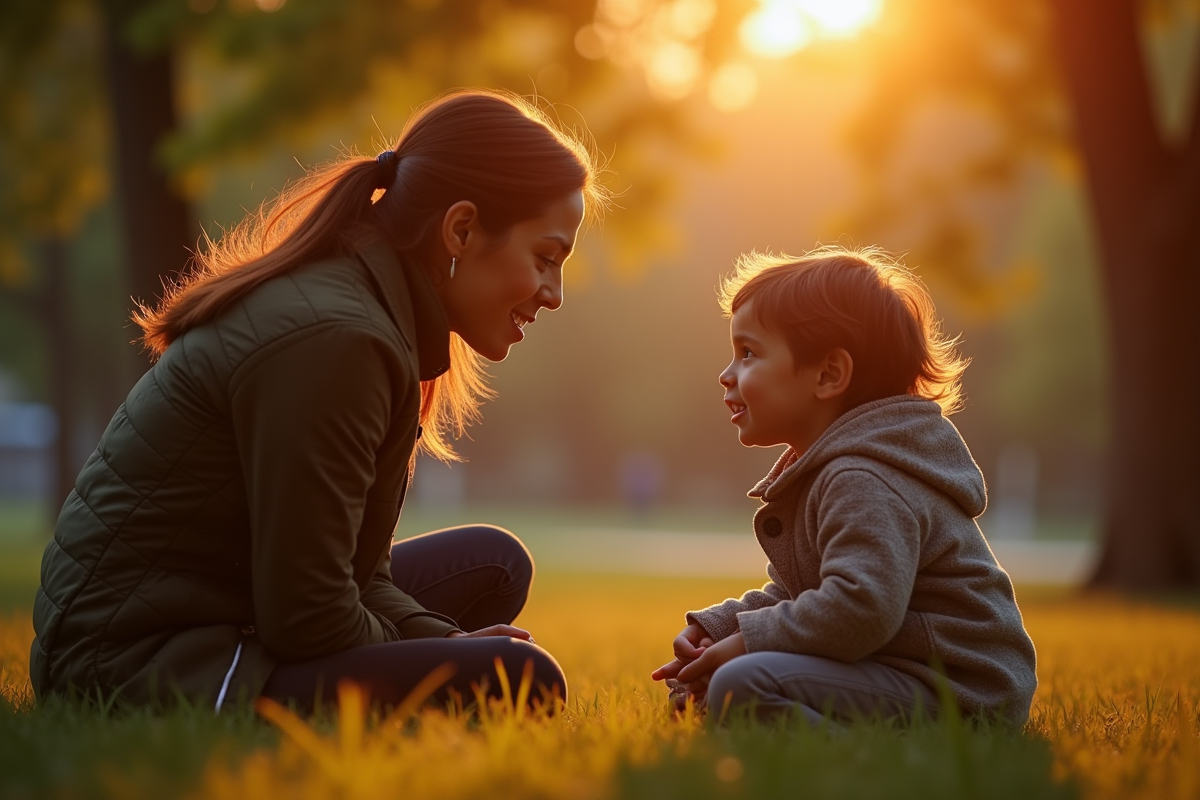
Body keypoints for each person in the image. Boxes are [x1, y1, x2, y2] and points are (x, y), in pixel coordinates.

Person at [30, 89, 605, 713]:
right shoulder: (339, 341)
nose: (555, 294)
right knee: (520, 680)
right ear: (461, 229)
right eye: (546, 258)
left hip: (228, 610)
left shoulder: (366, 305)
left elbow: (355, 575)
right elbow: (308, 618)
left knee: (495, 563)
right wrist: (448, 656)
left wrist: (445, 642)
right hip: (137, 660)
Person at [651, 246, 1038, 727]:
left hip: (957, 692)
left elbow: (860, 610)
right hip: (897, 670)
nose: (726, 374)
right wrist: (721, 627)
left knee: (742, 682)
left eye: (748, 353)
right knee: (722, 681)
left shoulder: (864, 477)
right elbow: (806, 593)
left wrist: (747, 642)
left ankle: (870, 757)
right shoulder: (833, 468)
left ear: (829, 374)